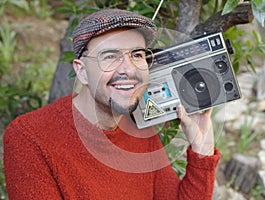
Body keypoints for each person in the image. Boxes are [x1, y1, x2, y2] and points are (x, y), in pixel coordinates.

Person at [3, 8, 220, 199]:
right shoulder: (30, 137)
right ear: (82, 71)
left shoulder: (139, 128)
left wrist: (202, 151)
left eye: (137, 54)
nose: (129, 69)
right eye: (110, 56)